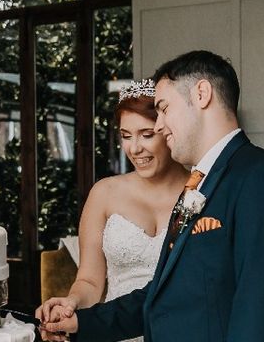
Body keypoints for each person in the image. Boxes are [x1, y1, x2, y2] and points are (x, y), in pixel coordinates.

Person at [41, 50, 264, 342]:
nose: (158, 124)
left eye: (164, 108)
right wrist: (82, 323)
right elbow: (166, 296)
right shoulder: (199, 186)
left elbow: (262, 314)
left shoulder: (261, 178)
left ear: (202, 94)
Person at [36, 80, 189, 342]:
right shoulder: (104, 193)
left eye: (147, 134)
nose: (134, 148)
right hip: (114, 332)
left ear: (168, 130)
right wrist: (71, 302)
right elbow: (91, 282)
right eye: (126, 136)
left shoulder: (201, 189)